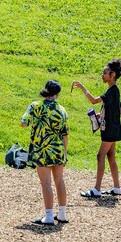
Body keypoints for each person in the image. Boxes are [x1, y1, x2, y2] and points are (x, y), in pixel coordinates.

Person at [72, 58, 121, 198]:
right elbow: (118, 109)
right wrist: (102, 114)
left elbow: (94, 100)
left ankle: (96, 189)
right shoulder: (113, 91)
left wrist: (83, 88)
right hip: (113, 128)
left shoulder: (112, 91)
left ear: (112, 75)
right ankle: (117, 187)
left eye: (105, 73)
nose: (103, 75)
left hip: (110, 130)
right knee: (110, 156)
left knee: (100, 155)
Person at [20, 80, 69, 225]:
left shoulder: (35, 106)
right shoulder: (62, 110)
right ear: (57, 94)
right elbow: (65, 134)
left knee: (46, 183)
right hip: (58, 149)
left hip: (41, 150)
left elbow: (23, 123)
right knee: (59, 181)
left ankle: (48, 216)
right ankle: (62, 214)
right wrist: (64, 154)